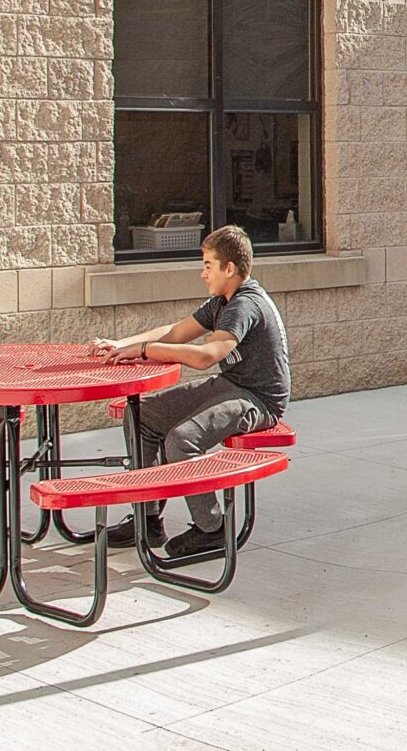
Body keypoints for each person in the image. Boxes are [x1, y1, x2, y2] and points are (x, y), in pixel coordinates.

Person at [89, 226, 290, 561]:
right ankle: (149, 518)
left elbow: (205, 356)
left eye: (208, 265)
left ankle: (212, 529)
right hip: (234, 385)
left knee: (182, 440)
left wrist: (145, 350)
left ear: (230, 269)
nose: (202, 274)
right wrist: (122, 344)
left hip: (260, 399)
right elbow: (176, 331)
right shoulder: (222, 302)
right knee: (142, 415)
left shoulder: (245, 305)